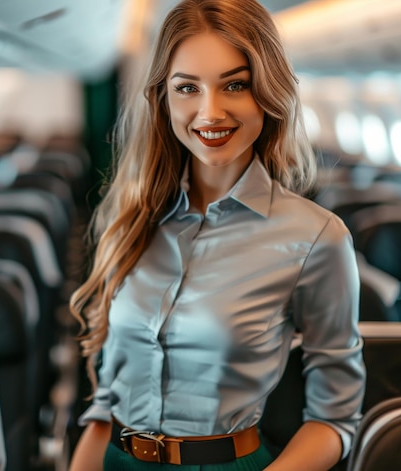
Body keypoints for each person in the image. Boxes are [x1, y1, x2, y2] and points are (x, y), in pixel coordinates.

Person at [69, 0, 366, 469]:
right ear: (162, 98)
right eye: (187, 87)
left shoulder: (316, 238)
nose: (210, 112)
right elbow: (106, 399)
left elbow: (336, 418)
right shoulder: (132, 217)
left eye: (235, 85)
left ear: (268, 93)